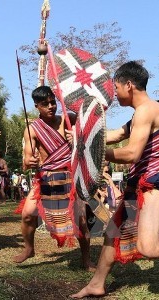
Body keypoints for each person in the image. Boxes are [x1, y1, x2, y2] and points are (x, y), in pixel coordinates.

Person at [71, 61, 159, 299]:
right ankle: (97, 284)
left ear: (129, 85)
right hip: (139, 183)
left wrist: (92, 151)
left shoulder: (148, 109)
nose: (114, 93)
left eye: (116, 87)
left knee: (148, 247)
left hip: (155, 183)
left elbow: (132, 153)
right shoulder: (140, 113)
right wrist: (82, 135)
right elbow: (114, 135)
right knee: (112, 234)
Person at [13, 85, 95, 271]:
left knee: (81, 221)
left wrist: (76, 138)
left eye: (53, 102)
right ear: (36, 106)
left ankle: (86, 260)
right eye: (45, 104)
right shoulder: (32, 129)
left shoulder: (69, 119)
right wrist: (30, 160)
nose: (51, 106)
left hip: (71, 175)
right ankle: (29, 249)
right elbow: (26, 161)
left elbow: (89, 138)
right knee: (27, 214)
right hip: (45, 178)